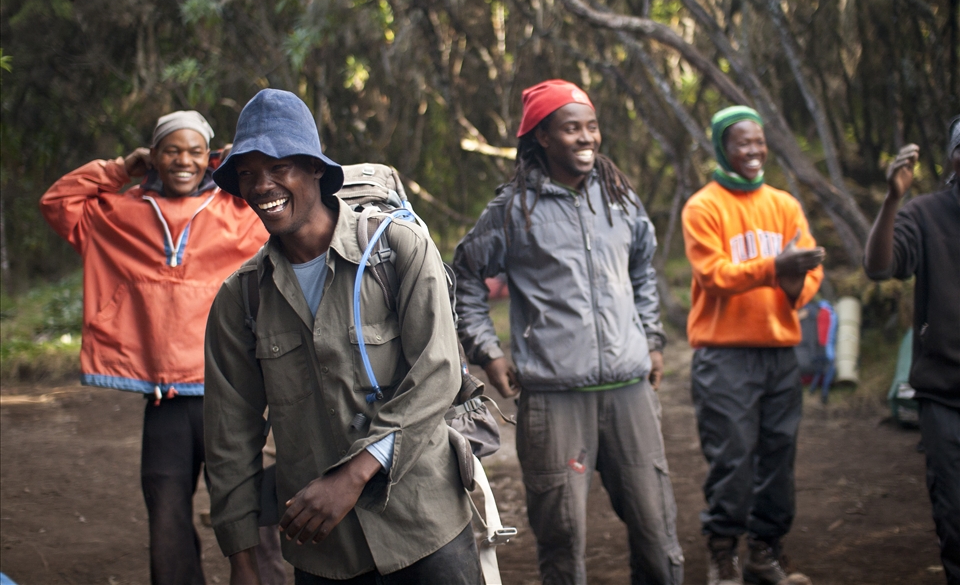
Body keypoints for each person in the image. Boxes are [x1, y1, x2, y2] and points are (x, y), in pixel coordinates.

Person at [203, 89, 480, 584]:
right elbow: (230, 432)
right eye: (247, 173)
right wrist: (241, 557)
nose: (262, 186)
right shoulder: (241, 298)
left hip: (425, 523)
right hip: (324, 548)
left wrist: (351, 476)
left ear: (314, 168)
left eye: (279, 166)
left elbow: (438, 373)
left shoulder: (396, 248)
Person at [454, 79, 683, 585]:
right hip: (554, 400)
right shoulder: (514, 209)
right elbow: (465, 276)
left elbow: (643, 267)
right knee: (562, 540)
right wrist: (488, 352)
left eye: (591, 126)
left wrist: (652, 339)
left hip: (629, 394)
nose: (586, 138)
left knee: (658, 533)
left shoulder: (620, 199)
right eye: (571, 128)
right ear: (541, 137)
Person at [39, 111, 271, 585]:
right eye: (171, 150)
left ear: (210, 157)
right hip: (163, 397)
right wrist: (122, 168)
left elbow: (275, 197)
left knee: (252, 508)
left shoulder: (237, 212)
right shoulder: (117, 213)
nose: (183, 160)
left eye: (195, 151)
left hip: (230, 390)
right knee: (165, 514)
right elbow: (58, 201)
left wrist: (231, 163)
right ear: (154, 154)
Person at [681, 106, 824, 585]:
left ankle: (766, 553)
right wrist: (776, 267)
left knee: (778, 459)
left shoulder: (784, 205)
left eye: (759, 143)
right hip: (724, 356)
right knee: (733, 459)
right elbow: (713, 276)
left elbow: (811, 272)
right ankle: (723, 557)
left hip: (780, 353)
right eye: (743, 143)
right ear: (723, 147)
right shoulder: (704, 206)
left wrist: (792, 283)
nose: (754, 151)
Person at [863, 118, 960, 585]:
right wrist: (893, 198)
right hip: (945, 397)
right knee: (955, 521)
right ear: (955, 160)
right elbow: (879, 268)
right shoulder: (925, 213)